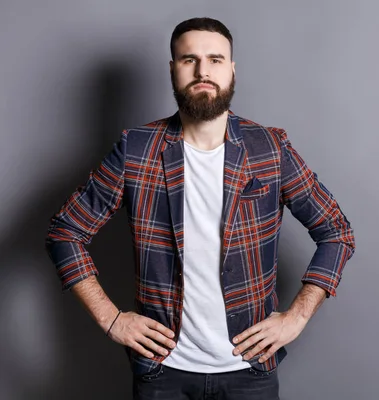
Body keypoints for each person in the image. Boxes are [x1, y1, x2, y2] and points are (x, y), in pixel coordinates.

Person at [45, 17, 355, 400]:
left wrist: (297, 317)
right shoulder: (137, 149)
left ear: (232, 70)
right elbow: (65, 233)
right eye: (189, 59)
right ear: (173, 69)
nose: (203, 71)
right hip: (163, 372)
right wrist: (111, 319)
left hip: (250, 370)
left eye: (215, 59)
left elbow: (337, 232)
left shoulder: (269, 148)